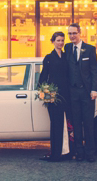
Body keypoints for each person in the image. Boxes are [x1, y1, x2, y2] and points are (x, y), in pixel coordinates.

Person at [65, 23, 97, 163]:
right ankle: (79, 152)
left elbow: (94, 71)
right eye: (70, 34)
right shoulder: (67, 48)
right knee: (76, 123)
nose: (72, 36)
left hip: (86, 93)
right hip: (72, 93)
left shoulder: (90, 49)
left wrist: (94, 89)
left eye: (74, 33)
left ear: (80, 34)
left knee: (88, 123)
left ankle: (90, 152)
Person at [38, 31, 72, 162]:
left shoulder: (66, 56)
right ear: (53, 41)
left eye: (62, 40)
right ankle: (56, 154)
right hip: (53, 97)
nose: (61, 43)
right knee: (56, 125)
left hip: (66, 96)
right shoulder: (48, 57)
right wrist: (44, 93)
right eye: (58, 40)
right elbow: (43, 77)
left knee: (67, 124)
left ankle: (67, 152)